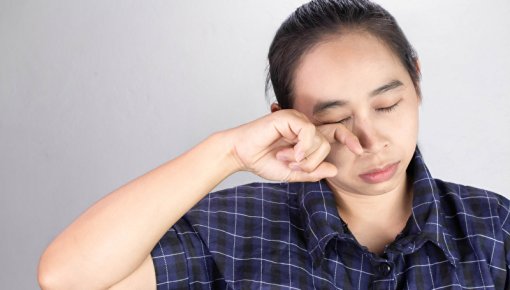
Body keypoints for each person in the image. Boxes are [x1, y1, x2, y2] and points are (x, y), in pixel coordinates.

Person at [38, 0, 510, 289]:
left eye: (387, 105)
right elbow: (67, 278)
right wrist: (230, 153)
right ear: (287, 120)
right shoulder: (231, 231)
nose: (370, 140)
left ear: (417, 81)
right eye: (335, 118)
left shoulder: (494, 228)